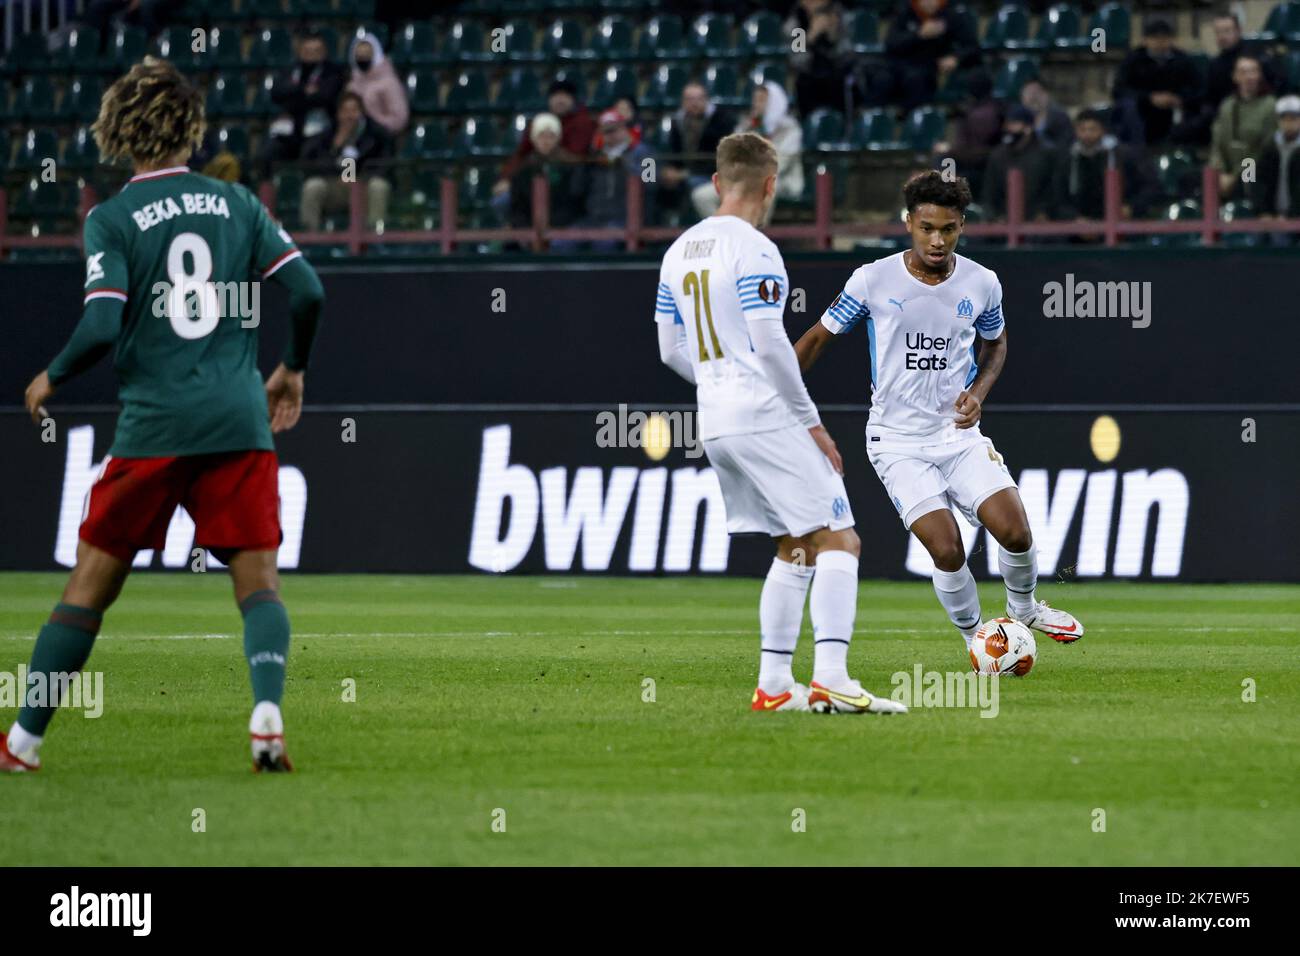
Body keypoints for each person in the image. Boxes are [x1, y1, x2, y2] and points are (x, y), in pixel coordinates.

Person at [7, 59, 324, 773]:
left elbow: (99, 326)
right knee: (259, 583)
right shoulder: (238, 203)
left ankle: (23, 742)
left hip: (155, 425)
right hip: (238, 419)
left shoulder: (112, 219)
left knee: (89, 584)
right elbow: (307, 291)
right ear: (192, 128)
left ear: (121, 128)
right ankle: (267, 713)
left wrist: (49, 376)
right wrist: (291, 367)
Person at [654, 132, 906, 716]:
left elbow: (669, 348)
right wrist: (810, 422)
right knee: (841, 536)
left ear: (717, 183)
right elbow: (770, 343)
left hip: (714, 419)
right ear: (771, 185)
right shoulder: (756, 248)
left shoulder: (678, 250)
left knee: (795, 545)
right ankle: (834, 678)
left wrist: (718, 384)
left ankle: (773, 685)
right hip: (762, 413)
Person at [793, 170, 1083, 658]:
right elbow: (818, 338)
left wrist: (980, 390)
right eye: (927, 227)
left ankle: (1025, 608)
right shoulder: (872, 280)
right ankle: (979, 640)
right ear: (908, 222)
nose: (937, 239)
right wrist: (779, 392)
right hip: (896, 440)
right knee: (948, 547)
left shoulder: (982, 283)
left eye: (947, 229)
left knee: (1015, 530)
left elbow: (997, 344)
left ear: (961, 226)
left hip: (957, 435)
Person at [695, 82, 804, 221]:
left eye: (761, 100)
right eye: (755, 100)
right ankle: (728, 231)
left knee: (767, 186)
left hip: (781, 181)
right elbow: (731, 153)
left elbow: (780, 165)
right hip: (742, 179)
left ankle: (756, 237)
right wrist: (747, 128)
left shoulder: (790, 129)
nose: (756, 104)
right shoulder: (748, 126)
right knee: (702, 196)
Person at [300, 91, 394, 231]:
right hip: (336, 186)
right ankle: (310, 237)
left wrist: (362, 178)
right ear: (338, 114)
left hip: (364, 185)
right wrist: (336, 147)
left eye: (354, 111)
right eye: (345, 111)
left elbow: (385, 164)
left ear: (362, 113)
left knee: (378, 186)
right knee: (313, 186)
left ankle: (375, 238)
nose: (349, 116)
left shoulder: (377, 134)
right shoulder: (328, 135)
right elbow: (310, 163)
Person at [1050, 109, 1160, 221]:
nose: (1087, 134)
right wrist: (1074, 218)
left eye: (1093, 129)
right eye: (1082, 129)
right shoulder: (1067, 160)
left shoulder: (1125, 156)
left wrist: (1131, 208)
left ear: (1103, 130)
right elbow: (1058, 198)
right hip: (1079, 227)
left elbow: (1150, 187)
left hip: (1122, 223)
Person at [569, 109, 655, 251]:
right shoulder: (595, 155)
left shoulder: (645, 153)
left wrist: (625, 163)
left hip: (626, 218)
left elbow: (652, 183)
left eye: (614, 130)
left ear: (624, 128)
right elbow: (576, 189)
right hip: (594, 218)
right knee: (561, 242)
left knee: (604, 243)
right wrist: (586, 159)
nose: (610, 136)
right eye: (605, 131)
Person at [495, 79, 595, 199]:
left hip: (571, 185)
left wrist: (547, 154)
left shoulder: (582, 123)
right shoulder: (541, 122)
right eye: (556, 96)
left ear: (573, 100)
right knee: (502, 200)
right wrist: (506, 178)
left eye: (564, 96)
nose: (560, 100)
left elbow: (577, 159)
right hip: (536, 180)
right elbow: (521, 153)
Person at [1111, 19, 1200, 147]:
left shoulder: (1183, 60)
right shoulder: (1133, 60)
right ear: (1145, 40)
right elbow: (1119, 90)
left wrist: (1179, 99)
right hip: (1143, 111)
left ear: (1171, 40)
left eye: (1164, 38)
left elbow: (1198, 89)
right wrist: (1149, 98)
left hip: (1174, 111)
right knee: (1127, 107)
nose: (1159, 42)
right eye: (1155, 38)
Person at [265, 29, 347, 167]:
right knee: (268, 151)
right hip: (289, 126)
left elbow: (325, 96)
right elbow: (276, 93)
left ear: (324, 52)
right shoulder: (290, 70)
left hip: (319, 127)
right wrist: (304, 90)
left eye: (316, 51)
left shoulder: (333, 72)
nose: (312, 55)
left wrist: (293, 95)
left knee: (309, 153)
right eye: (308, 51)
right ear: (300, 51)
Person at [884, 0, 980, 112]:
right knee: (882, 78)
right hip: (902, 64)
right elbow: (891, 44)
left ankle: (916, 118)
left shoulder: (952, 14)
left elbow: (972, 46)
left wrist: (956, 57)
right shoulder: (905, 11)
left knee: (916, 79)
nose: (929, 2)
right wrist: (918, 35)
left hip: (931, 68)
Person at [659, 82, 733, 221]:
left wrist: (684, 174)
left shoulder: (722, 121)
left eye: (699, 99)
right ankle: (663, 230)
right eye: (690, 99)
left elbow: (719, 159)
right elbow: (673, 152)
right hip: (683, 174)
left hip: (713, 175)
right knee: (650, 179)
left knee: (692, 184)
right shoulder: (678, 122)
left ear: (706, 99)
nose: (694, 103)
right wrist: (668, 169)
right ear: (683, 102)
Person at [1210, 56, 1276, 200]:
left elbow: (1264, 149)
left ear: (1260, 75)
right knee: (1204, 180)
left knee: (1248, 182)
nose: (1249, 77)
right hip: (1227, 170)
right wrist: (1220, 172)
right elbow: (1217, 144)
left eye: (1253, 71)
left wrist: (1234, 176)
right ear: (1235, 77)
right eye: (1243, 72)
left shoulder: (1270, 106)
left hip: (1253, 168)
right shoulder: (1227, 105)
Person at [932, 68, 1002, 199]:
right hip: (967, 159)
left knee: (946, 160)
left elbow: (977, 150)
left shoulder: (986, 113)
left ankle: (948, 199)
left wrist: (950, 150)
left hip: (981, 164)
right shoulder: (974, 107)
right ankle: (945, 198)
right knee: (944, 160)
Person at [507, 112, 584, 232]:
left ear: (558, 139)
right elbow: (518, 207)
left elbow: (574, 204)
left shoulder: (571, 166)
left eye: (551, 136)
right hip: (529, 227)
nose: (546, 141)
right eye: (541, 136)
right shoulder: (524, 168)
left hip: (563, 226)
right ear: (534, 139)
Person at [981, 105, 1055, 220]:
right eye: (1007, 124)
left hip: (1037, 219)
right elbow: (989, 193)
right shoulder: (997, 155)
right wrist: (995, 217)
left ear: (1028, 127)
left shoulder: (1046, 154)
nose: (1008, 128)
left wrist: (1044, 212)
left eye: (1013, 124)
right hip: (1004, 219)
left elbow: (1053, 190)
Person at [785, 0, 852, 117]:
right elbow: (797, 61)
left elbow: (847, 56)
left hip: (836, 77)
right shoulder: (796, 24)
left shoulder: (840, 18)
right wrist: (810, 36)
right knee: (805, 83)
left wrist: (833, 36)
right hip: (808, 79)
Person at [345, 31, 409, 137]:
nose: (362, 58)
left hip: (379, 138)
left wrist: (374, 124)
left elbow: (399, 119)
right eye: (359, 55)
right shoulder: (352, 84)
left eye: (366, 54)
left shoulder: (389, 82)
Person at [1255, 95, 1300, 221]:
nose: (1289, 123)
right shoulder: (1267, 148)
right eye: (1285, 119)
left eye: (1294, 118)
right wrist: (1263, 210)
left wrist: (1293, 214)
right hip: (1270, 216)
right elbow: (1255, 181)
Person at [1019, 78, 1073, 150]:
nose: (1034, 97)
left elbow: (1065, 143)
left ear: (1046, 94)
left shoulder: (1060, 117)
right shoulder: (1017, 118)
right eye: (1029, 93)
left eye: (1037, 92)